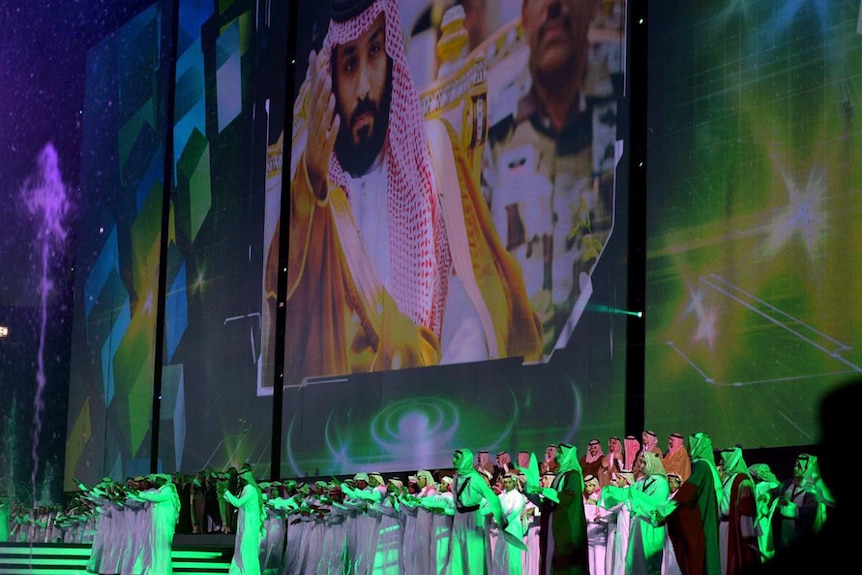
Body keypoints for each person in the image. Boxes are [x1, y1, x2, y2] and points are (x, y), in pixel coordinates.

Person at [279, 0, 542, 384]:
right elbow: (291, 342)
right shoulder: (314, 194)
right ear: (330, 82)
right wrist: (313, 184)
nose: (366, 86)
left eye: (375, 53)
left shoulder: (431, 154)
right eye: (350, 65)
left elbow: (482, 295)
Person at [481, 0, 618, 356]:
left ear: (593, 8)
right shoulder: (492, 129)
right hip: (519, 386)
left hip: (608, 366)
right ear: (525, 17)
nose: (554, 6)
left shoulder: (626, 95)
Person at [659, 432, 722, 575]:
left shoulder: (702, 466)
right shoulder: (705, 466)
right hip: (705, 517)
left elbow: (690, 490)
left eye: (690, 445)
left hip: (702, 520)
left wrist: (666, 509)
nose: (688, 448)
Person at [451, 448, 509, 574]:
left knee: (474, 556)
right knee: (457, 555)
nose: (453, 461)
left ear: (464, 460)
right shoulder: (457, 478)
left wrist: (501, 520)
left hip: (472, 518)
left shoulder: (475, 478)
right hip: (459, 518)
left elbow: (493, 499)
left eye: (457, 458)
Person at [716, 447, 759, 575]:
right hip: (729, 526)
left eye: (724, 460)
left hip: (732, 527)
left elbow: (725, 508)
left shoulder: (738, 479)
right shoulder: (733, 478)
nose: (721, 463)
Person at [132, 473, 181, 575]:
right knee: (155, 547)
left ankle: (163, 571)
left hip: (165, 524)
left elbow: (157, 498)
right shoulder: (161, 490)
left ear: (164, 480)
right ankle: (156, 569)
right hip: (158, 524)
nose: (155, 481)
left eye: (158, 479)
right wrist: (134, 494)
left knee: (162, 548)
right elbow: (147, 498)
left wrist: (140, 494)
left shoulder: (168, 490)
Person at [222, 467, 265, 575]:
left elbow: (237, 503)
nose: (238, 479)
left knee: (246, 554)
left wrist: (226, 491)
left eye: (240, 477)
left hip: (250, 528)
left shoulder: (250, 490)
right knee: (239, 553)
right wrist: (225, 492)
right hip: (243, 527)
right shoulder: (245, 490)